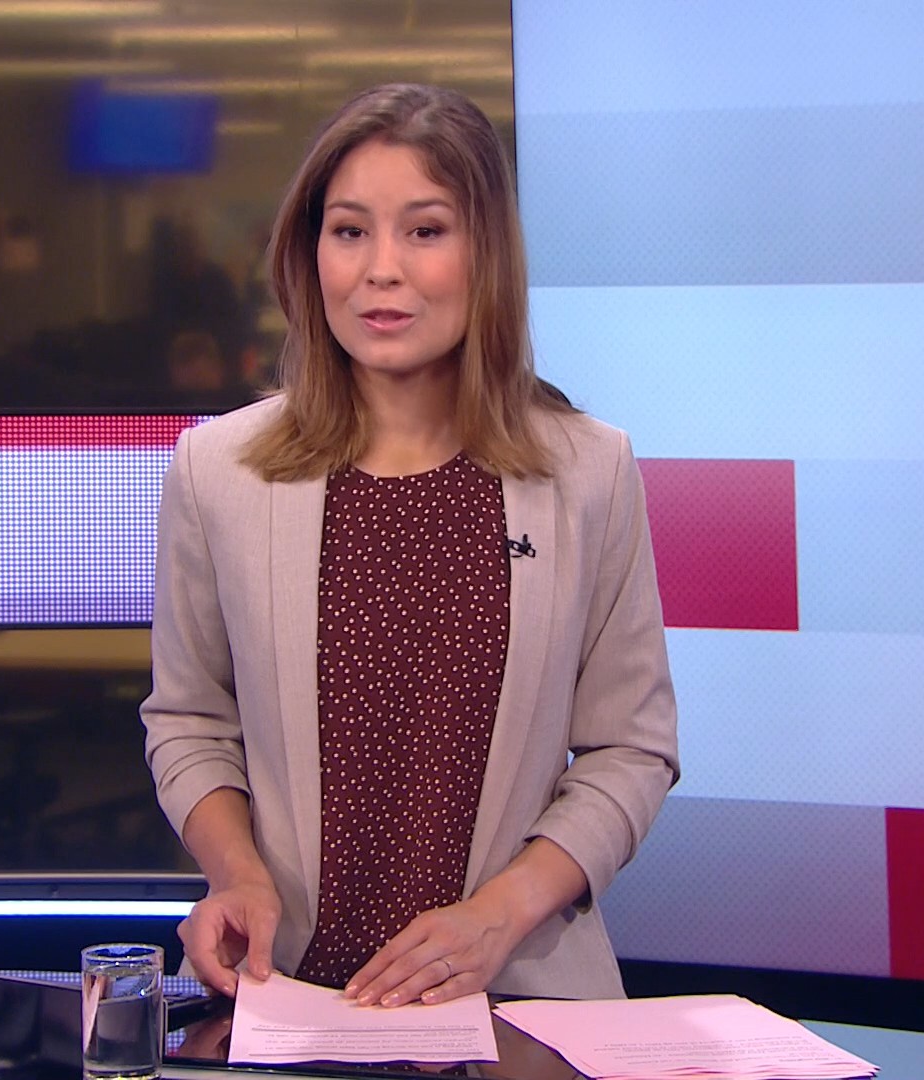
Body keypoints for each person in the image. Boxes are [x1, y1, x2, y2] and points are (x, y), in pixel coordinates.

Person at [140, 84, 679, 1008]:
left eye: (425, 231)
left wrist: (499, 916)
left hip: (516, 1000)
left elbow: (631, 749)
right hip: (286, 997)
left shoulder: (590, 471)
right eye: (349, 231)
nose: (380, 270)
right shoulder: (217, 469)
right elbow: (189, 722)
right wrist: (236, 873)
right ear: (310, 253)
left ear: (486, 255)